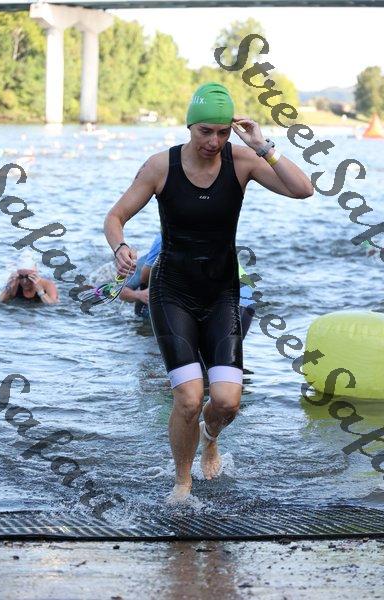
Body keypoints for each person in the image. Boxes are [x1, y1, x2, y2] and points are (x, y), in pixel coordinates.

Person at [104, 82, 314, 503]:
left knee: (227, 402)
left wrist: (262, 146)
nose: (214, 141)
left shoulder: (242, 161)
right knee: (188, 397)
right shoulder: (160, 167)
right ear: (189, 126)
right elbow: (115, 217)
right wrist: (120, 247)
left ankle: (210, 439)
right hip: (172, 292)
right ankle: (182, 483)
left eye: (222, 132)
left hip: (222, 294)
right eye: (205, 131)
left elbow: (302, 189)